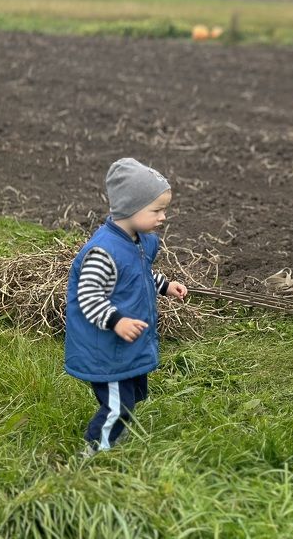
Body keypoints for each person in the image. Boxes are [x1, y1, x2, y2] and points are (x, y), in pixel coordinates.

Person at [64, 157, 188, 454]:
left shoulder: (138, 240)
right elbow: (89, 296)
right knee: (119, 404)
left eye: (164, 210)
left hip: (126, 344)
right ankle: (96, 450)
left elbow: (138, 274)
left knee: (133, 394)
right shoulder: (103, 252)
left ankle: (113, 434)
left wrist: (165, 286)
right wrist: (117, 321)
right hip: (107, 346)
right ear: (130, 209)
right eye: (156, 210)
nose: (163, 217)